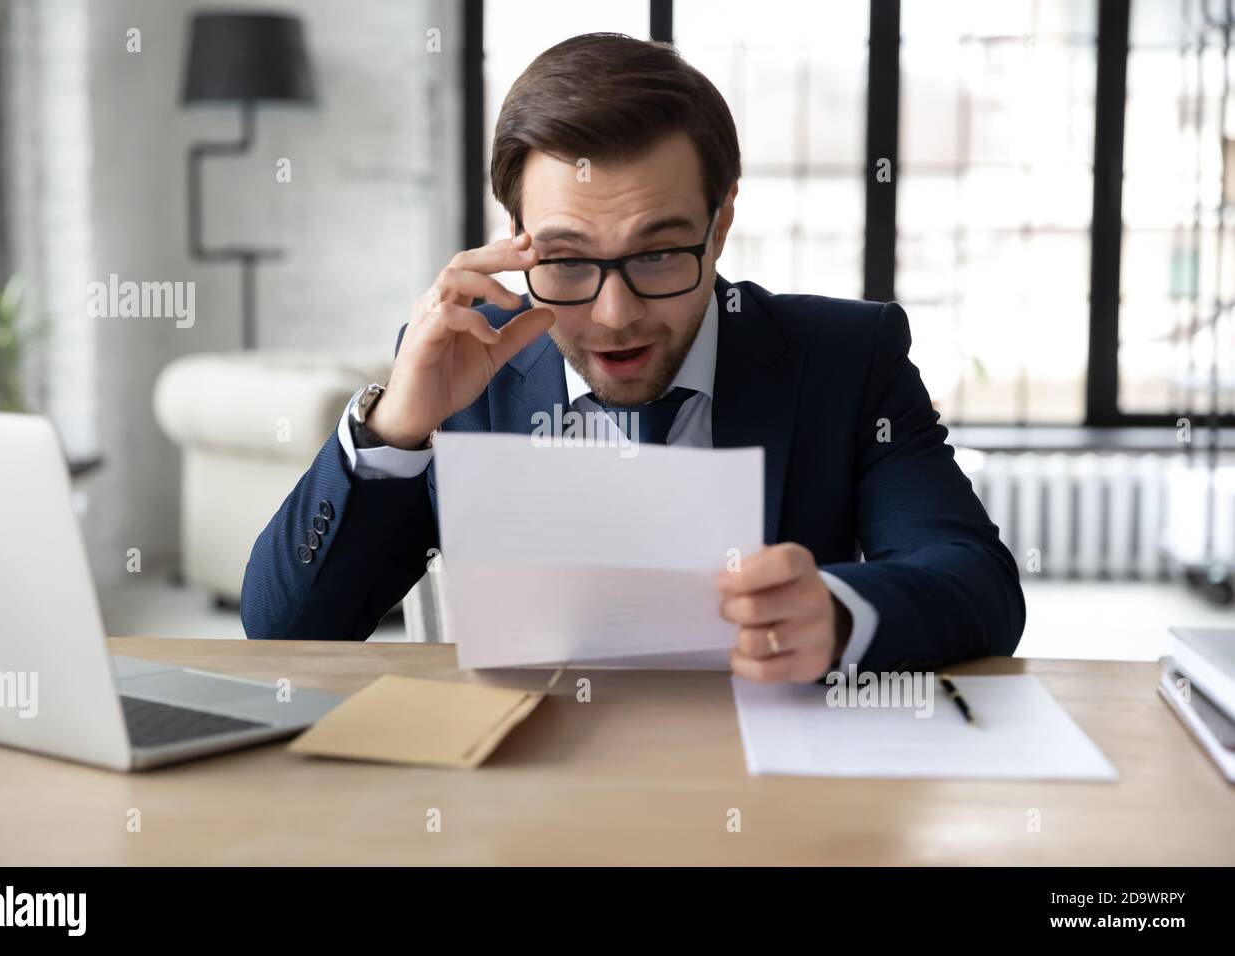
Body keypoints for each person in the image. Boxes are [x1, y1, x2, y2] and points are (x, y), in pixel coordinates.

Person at [240, 33, 1025, 682]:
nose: (614, 317)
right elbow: (285, 634)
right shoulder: (460, 372)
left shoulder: (848, 358)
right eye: (568, 260)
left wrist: (839, 609)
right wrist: (395, 431)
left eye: (657, 255)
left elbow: (975, 581)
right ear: (516, 238)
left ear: (719, 227)